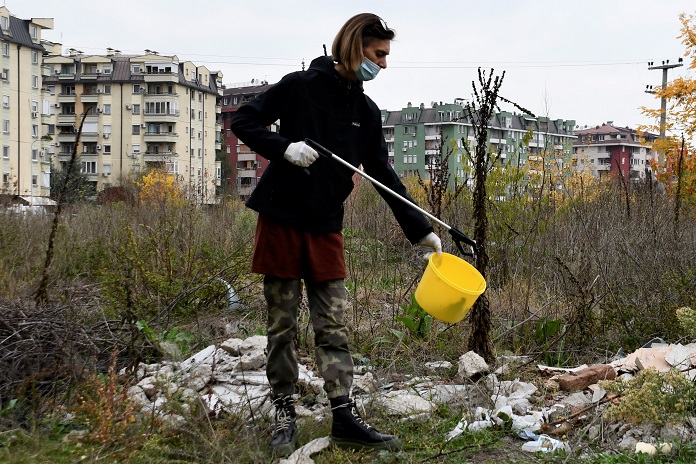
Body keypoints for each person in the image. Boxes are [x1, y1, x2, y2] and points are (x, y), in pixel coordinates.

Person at [230, 12, 442, 456]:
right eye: (378, 54)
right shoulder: (298, 86)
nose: (383, 64)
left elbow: (383, 173)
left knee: (333, 326)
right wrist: (284, 148)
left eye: (386, 56)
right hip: (282, 220)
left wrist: (419, 230)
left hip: (326, 226)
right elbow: (244, 123)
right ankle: (284, 412)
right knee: (282, 325)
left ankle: (344, 416)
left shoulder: (365, 111)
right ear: (353, 45)